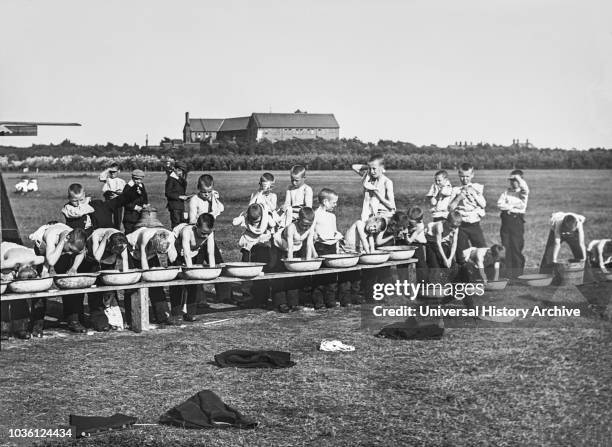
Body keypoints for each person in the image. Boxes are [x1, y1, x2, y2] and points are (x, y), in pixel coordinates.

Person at [28, 223, 88, 335]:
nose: (71, 253)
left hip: (60, 246)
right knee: (41, 283)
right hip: (43, 247)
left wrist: (73, 268)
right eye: (70, 249)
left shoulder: (76, 239)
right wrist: (61, 243)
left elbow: (81, 252)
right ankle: (37, 323)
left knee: (70, 280)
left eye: (73, 252)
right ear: (67, 239)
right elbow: (50, 261)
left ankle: (73, 320)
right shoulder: (52, 235)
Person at [126, 214, 178, 326]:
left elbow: (172, 257)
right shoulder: (145, 235)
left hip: (150, 253)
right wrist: (146, 275)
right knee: (133, 284)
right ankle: (132, 319)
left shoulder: (170, 236)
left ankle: (163, 316)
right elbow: (143, 257)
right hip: (134, 252)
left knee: (156, 284)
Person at [170, 213, 220, 320]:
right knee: (177, 283)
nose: (205, 236)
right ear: (196, 227)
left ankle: (190, 313)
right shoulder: (187, 232)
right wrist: (190, 272)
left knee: (193, 284)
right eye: (203, 233)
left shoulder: (209, 233)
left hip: (193, 252)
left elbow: (211, 253)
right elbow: (186, 254)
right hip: (178, 252)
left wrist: (212, 272)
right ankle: (176, 313)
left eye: (208, 233)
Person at [270, 207, 316, 312]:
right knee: (280, 274)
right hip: (280, 246)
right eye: (303, 224)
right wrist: (290, 264)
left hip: (296, 246)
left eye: (308, 225)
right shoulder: (291, 227)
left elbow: (309, 245)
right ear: (298, 219)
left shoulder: (310, 228)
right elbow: (289, 248)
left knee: (294, 276)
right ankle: (280, 303)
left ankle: (293, 303)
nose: (305, 228)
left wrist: (308, 262)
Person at [83, 228, 129, 331]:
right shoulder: (96, 235)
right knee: (95, 292)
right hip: (92, 260)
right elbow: (97, 257)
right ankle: (99, 320)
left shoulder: (121, 240)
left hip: (108, 261)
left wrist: (124, 278)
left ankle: (114, 319)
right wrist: (104, 240)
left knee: (110, 290)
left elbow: (125, 261)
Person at [1, 242, 45, 340]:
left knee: (20, 293)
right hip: (4, 251)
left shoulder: (36, 260)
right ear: (16, 271)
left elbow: (44, 259)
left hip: (24, 251)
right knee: (5, 293)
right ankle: (3, 328)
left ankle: (20, 328)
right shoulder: (8, 263)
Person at [448, 163, 487, 264]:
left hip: (474, 223)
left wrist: (474, 194)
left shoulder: (477, 187)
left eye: (467, 176)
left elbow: (483, 204)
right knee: (461, 253)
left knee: (482, 249)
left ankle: (485, 275)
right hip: (461, 225)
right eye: (462, 176)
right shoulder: (455, 190)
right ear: (459, 175)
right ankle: (463, 276)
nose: (464, 179)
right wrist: (458, 198)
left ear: (472, 175)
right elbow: (450, 208)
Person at [311, 188, 344, 309]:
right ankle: (318, 301)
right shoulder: (315, 214)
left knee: (331, 276)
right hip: (320, 246)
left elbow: (334, 232)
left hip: (331, 247)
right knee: (319, 275)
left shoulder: (332, 216)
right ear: (325, 202)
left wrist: (337, 247)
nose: (335, 205)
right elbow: (312, 232)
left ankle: (330, 300)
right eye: (334, 202)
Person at [497, 170, 529, 278]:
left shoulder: (522, 192)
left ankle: (518, 274)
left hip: (516, 221)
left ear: (520, 180)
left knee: (516, 247)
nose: (513, 183)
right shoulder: (506, 192)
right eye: (511, 180)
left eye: (515, 180)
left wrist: (519, 179)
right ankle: (508, 273)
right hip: (505, 221)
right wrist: (512, 207)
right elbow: (500, 204)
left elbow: (525, 189)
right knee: (506, 247)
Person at [352, 154, 396, 222]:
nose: (372, 171)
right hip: (370, 214)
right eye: (370, 169)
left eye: (374, 169)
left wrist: (376, 192)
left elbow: (392, 205)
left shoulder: (387, 182)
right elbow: (354, 167)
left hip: (383, 215)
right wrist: (371, 166)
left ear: (382, 167)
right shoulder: (369, 178)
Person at [425, 211, 463, 283]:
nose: (454, 229)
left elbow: (454, 244)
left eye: (456, 227)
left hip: (443, 242)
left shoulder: (455, 228)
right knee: (435, 266)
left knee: (453, 266)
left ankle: (451, 284)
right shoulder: (439, 226)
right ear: (447, 222)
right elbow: (438, 244)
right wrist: (445, 259)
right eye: (452, 226)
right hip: (432, 242)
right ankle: (433, 286)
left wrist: (450, 258)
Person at [98, 163, 126, 230]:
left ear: (118, 171)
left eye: (114, 172)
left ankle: (117, 230)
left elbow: (125, 193)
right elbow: (101, 177)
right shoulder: (108, 179)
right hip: (109, 199)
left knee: (118, 219)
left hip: (118, 200)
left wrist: (117, 195)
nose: (112, 173)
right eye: (111, 172)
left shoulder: (122, 181)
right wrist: (108, 169)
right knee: (107, 217)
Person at [122, 169, 149, 234]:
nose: (139, 181)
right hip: (130, 217)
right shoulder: (128, 187)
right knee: (129, 234)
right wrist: (136, 207)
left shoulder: (141, 186)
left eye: (141, 179)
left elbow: (145, 197)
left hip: (140, 216)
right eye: (137, 179)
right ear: (132, 178)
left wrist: (144, 204)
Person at [165, 161, 189, 228]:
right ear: (174, 169)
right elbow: (168, 193)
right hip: (174, 206)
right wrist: (179, 197)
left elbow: (181, 190)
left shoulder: (180, 179)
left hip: (180, 205)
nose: (180, 172)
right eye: (179, 170)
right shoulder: (170, 179)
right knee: (176, 223)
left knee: (183, 223)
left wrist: (185, 196)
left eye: (182, 171)